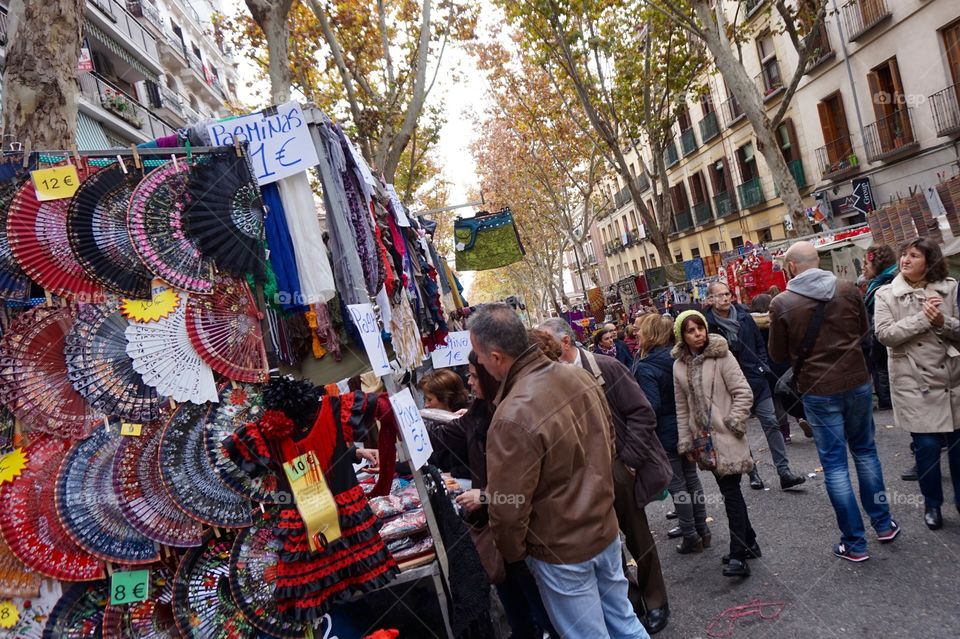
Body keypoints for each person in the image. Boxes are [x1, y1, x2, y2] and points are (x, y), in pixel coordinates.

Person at [469, 304, 650, 639]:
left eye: (479, 356)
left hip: (561, 549)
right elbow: (607, 442)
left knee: (595, 632)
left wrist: (516, 553)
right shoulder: (576, 375)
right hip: (601, 528)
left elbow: (508, 508)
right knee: (624, 621)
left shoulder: (511, 415)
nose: (478, 364)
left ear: (495, 356)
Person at [539, 319, 672, 635]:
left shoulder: (605, 367)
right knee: (606, 543)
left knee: (638, 536)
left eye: (546, 343)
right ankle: (631, 601)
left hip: (617, 466)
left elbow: (642, 412)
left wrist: (628, 463)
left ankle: (656, 600)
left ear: (566, 341)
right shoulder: (548, 380)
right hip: (582, 476)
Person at [769, 241, 899, 562]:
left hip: (817, 388)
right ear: (816, 261)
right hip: (856, 382)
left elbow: (777, 354)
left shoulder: (782, 302)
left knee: (835, 464)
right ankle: (883, 524)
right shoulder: (848, 289)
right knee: (866, 452)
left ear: (792, 266)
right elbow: (865, 333)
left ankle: (855, 542)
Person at [426, 353, 556, 638]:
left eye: (473, 375)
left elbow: (525, 480)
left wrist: (484, 496)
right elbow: (440, 442)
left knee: (541, 606)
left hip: (524, 528)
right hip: (499, 526)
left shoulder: (513, 412)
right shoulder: (478, 412)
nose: (469, 383)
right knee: (515, 603)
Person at [874, 238, 960, 531]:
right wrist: (924, 319)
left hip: (952, 380)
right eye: (903, 255)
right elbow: (885, 334)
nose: (905, 260)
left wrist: (942, 323)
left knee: (959, 451)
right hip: (914, 383)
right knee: (926, 449)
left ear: (930, 260)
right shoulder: (886, 294)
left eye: (914, 255)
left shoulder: (951, 288)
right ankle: (932, 504)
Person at [671, 311, 758, 577]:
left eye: (700, 328)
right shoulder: (678, 366)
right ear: (681, 336)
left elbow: (743, 392)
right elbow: (682, 407)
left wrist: (732, 422)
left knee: (731, 493)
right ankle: (750, 542)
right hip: (703, 442)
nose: (698, 333)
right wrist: (685, 441)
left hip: (727, 437)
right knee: (729, 490)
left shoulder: (722, 355)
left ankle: (739, 554)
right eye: (691, 330)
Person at [703, 282, 806, 491]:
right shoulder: (707, 325)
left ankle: (784, 471)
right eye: (720, 295)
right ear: (710, 299)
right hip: (728, 384)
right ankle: (752, 472)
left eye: (727, 293)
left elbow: (760, 344)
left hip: (756, 379)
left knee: (771, 421)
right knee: (738, 429)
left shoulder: (744, 317)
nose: (725, 298)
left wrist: (761, 366)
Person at [633, 314, 711, 554]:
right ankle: (703, 530)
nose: (637, 334)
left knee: (677, 484)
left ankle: (690, 535)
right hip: (687, 426)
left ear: (651, 334)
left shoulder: (646, 367)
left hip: (667, 432)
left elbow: (651, 406)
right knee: (692, 479)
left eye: (641, 331)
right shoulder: (680, 359)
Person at [749, 294, 812, 443]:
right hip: (783, 363)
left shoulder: (749, 323)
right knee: (792, 394)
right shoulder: (778, 318)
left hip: (765, 365)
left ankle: (785, 433)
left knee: (777, 401)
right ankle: (802, 417)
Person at [863, 244, 897, 412]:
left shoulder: (885, 285)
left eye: (866, 264)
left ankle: (887, 400)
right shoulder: (880, 283)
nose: (863, 269)